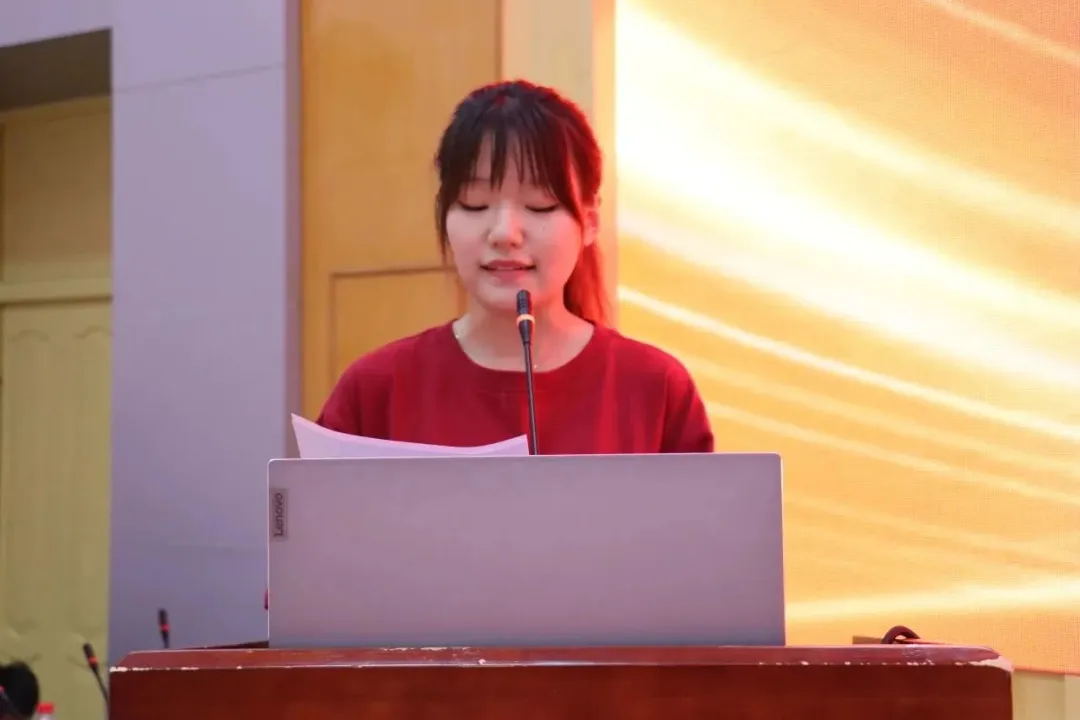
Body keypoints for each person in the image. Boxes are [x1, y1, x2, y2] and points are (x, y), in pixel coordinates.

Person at [318, 80, 713, 454]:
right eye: (475, 204)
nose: (504, 233)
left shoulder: (656, 388)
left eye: (540, 205)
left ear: (590, 221)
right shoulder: (375, 389)